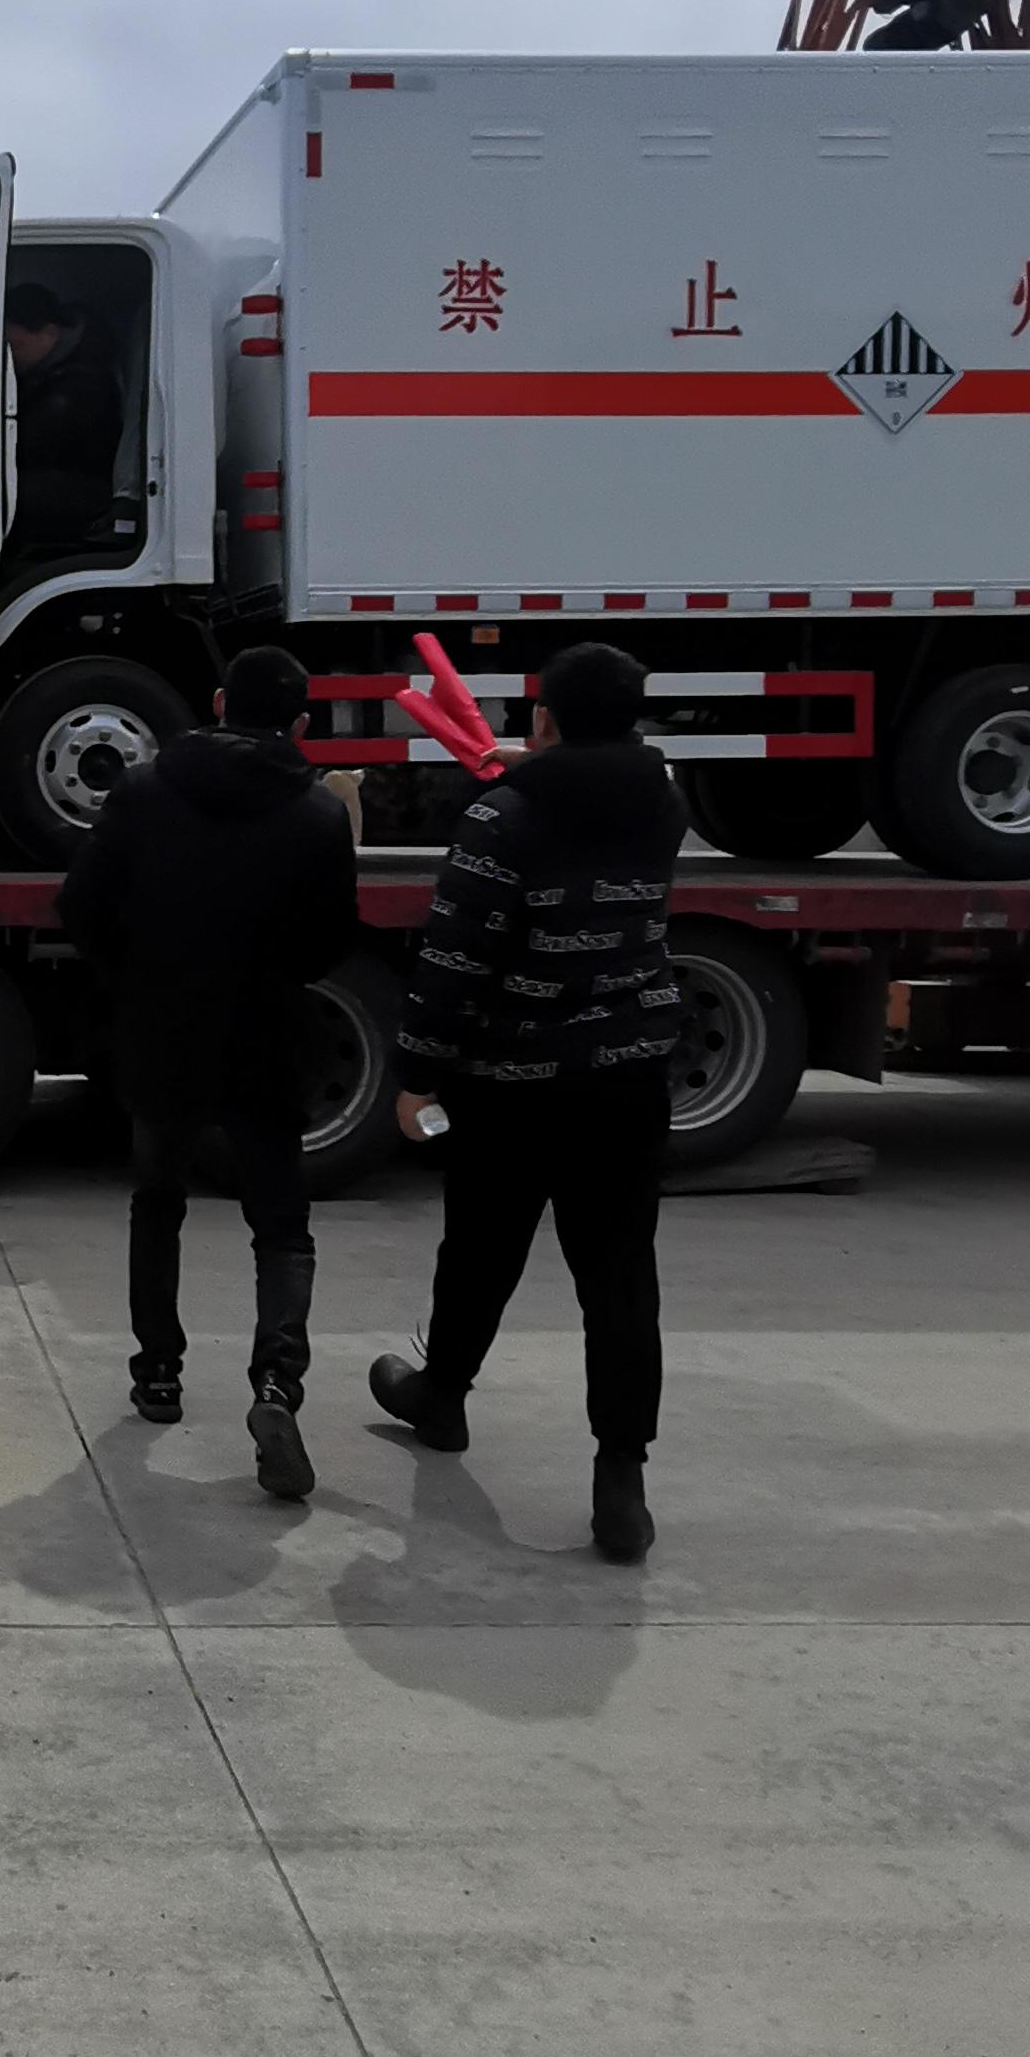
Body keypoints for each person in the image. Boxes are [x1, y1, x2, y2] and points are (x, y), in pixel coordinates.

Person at [370, 641, 685, 1563]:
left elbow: (456, 956)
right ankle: (621, 1482)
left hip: (513, 1079)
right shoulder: (663, 803)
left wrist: (419, 1072)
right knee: (619, 1279)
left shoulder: (502, 818)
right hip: (626, 1075)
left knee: (480, 1249)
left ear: (544, 718)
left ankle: (443, 1397)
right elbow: (599, 784)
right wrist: (536, 768)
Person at [57, 644, 359, 1497]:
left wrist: (135, 977)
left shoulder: (143, 790)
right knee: (282, 1226)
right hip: (265, 1033)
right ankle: (277, 1386)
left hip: (164, 1032)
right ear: (300, 722)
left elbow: (80, 905)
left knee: (159, 1200)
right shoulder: (316, 813)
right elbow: (332, 939)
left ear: (220, 703)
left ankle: (158, 1372)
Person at [2, 279, 127, 561]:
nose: (10, 358)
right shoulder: (53, 366)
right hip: (64, 472)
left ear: (49, 333)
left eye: (15, 346)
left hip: (87, 486)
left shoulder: (81, 383)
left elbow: (29, 444)